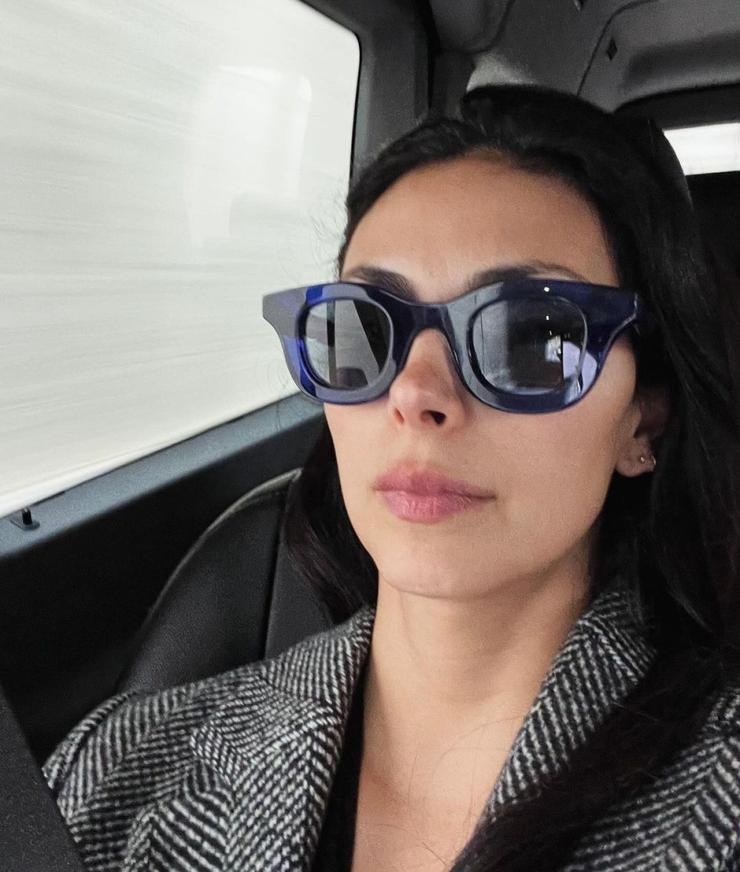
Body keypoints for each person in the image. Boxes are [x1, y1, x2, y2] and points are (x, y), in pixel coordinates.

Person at [44, 86, 740, 872]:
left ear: (643, 424)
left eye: (529, 337)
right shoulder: (119, 767)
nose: (414, 392)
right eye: (365, 327)